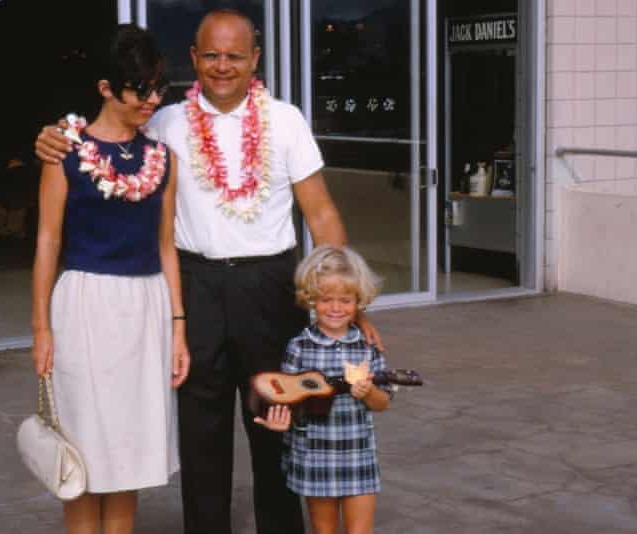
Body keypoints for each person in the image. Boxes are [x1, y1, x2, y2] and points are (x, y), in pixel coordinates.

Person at [33, 10, 384, 534]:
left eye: (235, 56)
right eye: (211, 55)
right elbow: (106, 125)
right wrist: (55, 135)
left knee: (276, 417)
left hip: (269, 286)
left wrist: (351, 304)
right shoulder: (165, 120)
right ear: (194, 59)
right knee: (201, 431)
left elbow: (322, 213)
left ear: (255, 60)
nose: (223, 66)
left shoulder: (285, 119)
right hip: (195, 285)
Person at [30, 24, 189, 534]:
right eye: (139, 89)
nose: (150, 100)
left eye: (156, 88)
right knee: (81, 450)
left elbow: (166, 246)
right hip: (84, 304)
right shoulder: (65, 152)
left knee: (128, 452)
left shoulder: (162, 160)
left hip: (146, 307)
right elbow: (48, 241)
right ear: (105, 87)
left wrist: (178, 326)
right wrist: (40, 328)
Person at [254, 245, 392, 534]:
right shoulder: (299, 347)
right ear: (311, 299)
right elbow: (289, 398)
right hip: (314, 454)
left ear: (359, 301)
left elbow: (383, 403)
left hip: (358, 453)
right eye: (326, 299)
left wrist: (368, 393)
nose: (336, 308)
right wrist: (280, 421)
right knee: (323, 530)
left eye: (345, 300)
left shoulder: (366, 346)